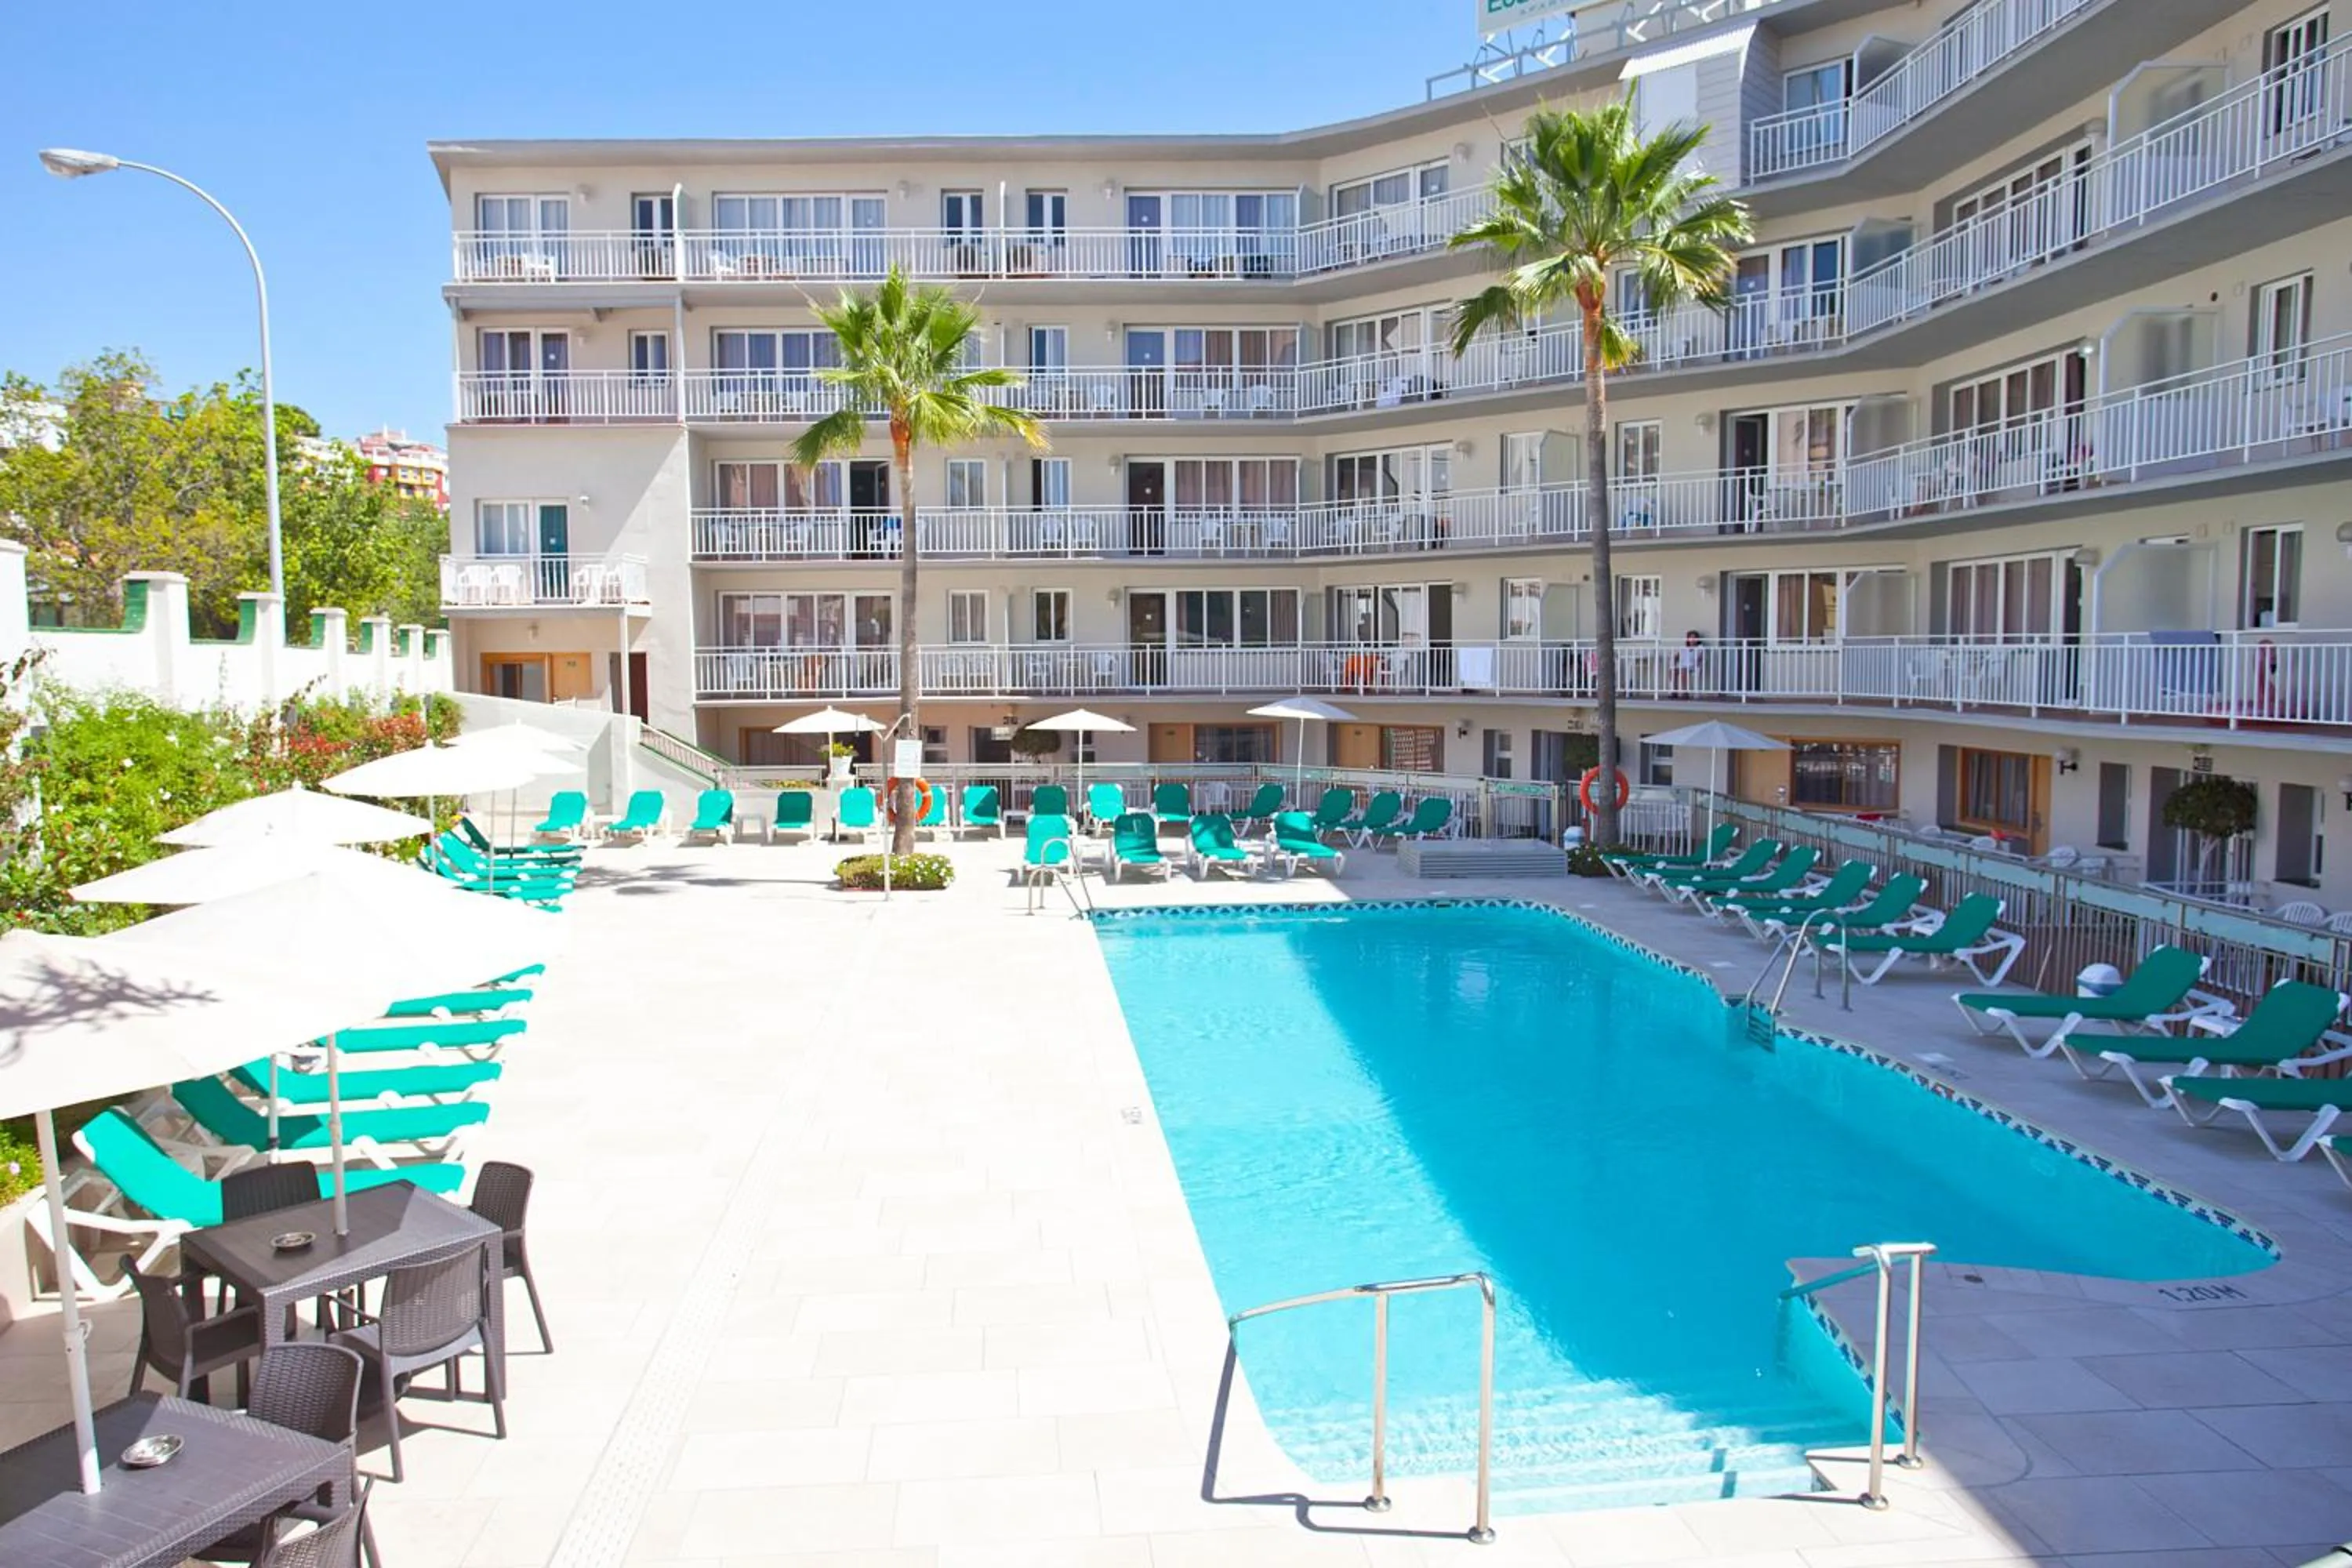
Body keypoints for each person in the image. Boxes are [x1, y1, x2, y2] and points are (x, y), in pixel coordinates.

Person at [1674, 630, 1704, 696]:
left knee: (1683, 670)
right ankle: (1674, 691)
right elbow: (1677, 656)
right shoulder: (1684, 648)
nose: (1693, 639)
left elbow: (1701, 658)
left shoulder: (1700, 647)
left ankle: (1684, 692)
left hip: (1693, 666)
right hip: (1684, 665)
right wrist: (1674, 660)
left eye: (1694, 637)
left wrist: (1698, 664)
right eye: (1691, 637)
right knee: (1673, 671)